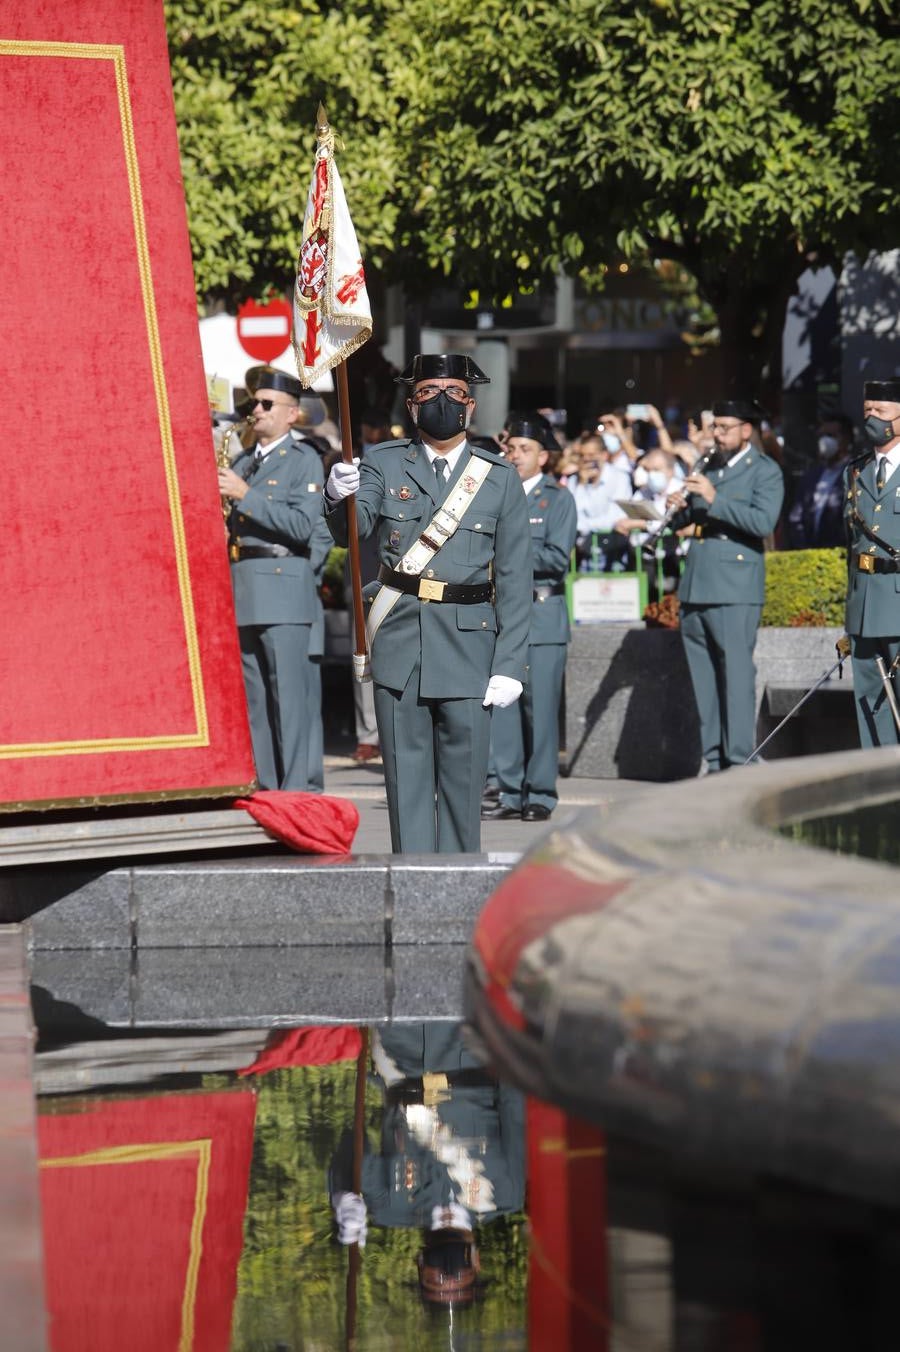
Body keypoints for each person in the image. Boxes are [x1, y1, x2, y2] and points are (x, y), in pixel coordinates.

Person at [324, 353, 532, 853]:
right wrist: (339, 496)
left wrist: (510, 663)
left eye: (454, 393)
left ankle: (459, 887)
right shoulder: (382, 461)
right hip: (401, 643)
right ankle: (413, 882)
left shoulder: (498, 476)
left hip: (469, 645)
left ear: (471, 406)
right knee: (407, 784)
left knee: (464, 787)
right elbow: (357, 532)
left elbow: (515, 577)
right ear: (412, 408)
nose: (442, 401)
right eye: (427, 393)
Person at [329, 1022, 525, 1308]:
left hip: (405, 1052)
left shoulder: (391, 1208)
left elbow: (351, 1143)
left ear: (420, 1264)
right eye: (458, 1275)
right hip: (472, 1048)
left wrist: (344, 1192)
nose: (447, 1271)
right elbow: (513, 1107)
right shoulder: (505, 1195)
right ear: (477, 1263)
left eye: (436, 1279)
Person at [218, 365, 331, 791]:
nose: (257, 410)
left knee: (291, 699)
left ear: (292, 414)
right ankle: (266, 786)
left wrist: (247, 497)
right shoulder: (244, 461)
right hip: (244, 584)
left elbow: (304, 527)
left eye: (267, 404)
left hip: (284, 585)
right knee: (256, 702)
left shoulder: (303, 461)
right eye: (254, 403)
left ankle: (298, 789)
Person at [665, 398, 785, 773]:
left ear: (746, 430)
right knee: (703, 678)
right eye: (714, 427)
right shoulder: (707, 465)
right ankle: (713, 758)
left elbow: (763, 522)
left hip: (734, 585)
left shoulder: (763, 470)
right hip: (696, 582)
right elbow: (692, 517)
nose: (716, 434)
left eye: (724, 427)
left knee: (735, 674)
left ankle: (738, 757)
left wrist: (713, 498)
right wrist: (676, 508)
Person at [482, 412, 577, 823]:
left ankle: (539, 792)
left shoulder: (558, 499)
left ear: (544, 457)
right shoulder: (495, 495)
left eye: (525, 450)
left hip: (541, 613)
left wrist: (506, 554)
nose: (515, 455)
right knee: (503, 709)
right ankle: (509, 791)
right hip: (502, 613)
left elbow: (556, 558)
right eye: (511, 448)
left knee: (539, 713)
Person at [844, 378, 900, 747]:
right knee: (870, 706)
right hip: (864, 607)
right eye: (867, 411)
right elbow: (850, 546)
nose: (872, 419)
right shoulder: (856, 470)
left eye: (881, 412)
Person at [787, 413, 855, 549]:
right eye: (822, 436)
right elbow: (796, 517)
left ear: (846, 439)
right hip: (809, 555)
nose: (825, 441)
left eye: (831, 436)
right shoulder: (811, 475)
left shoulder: (856, 474)